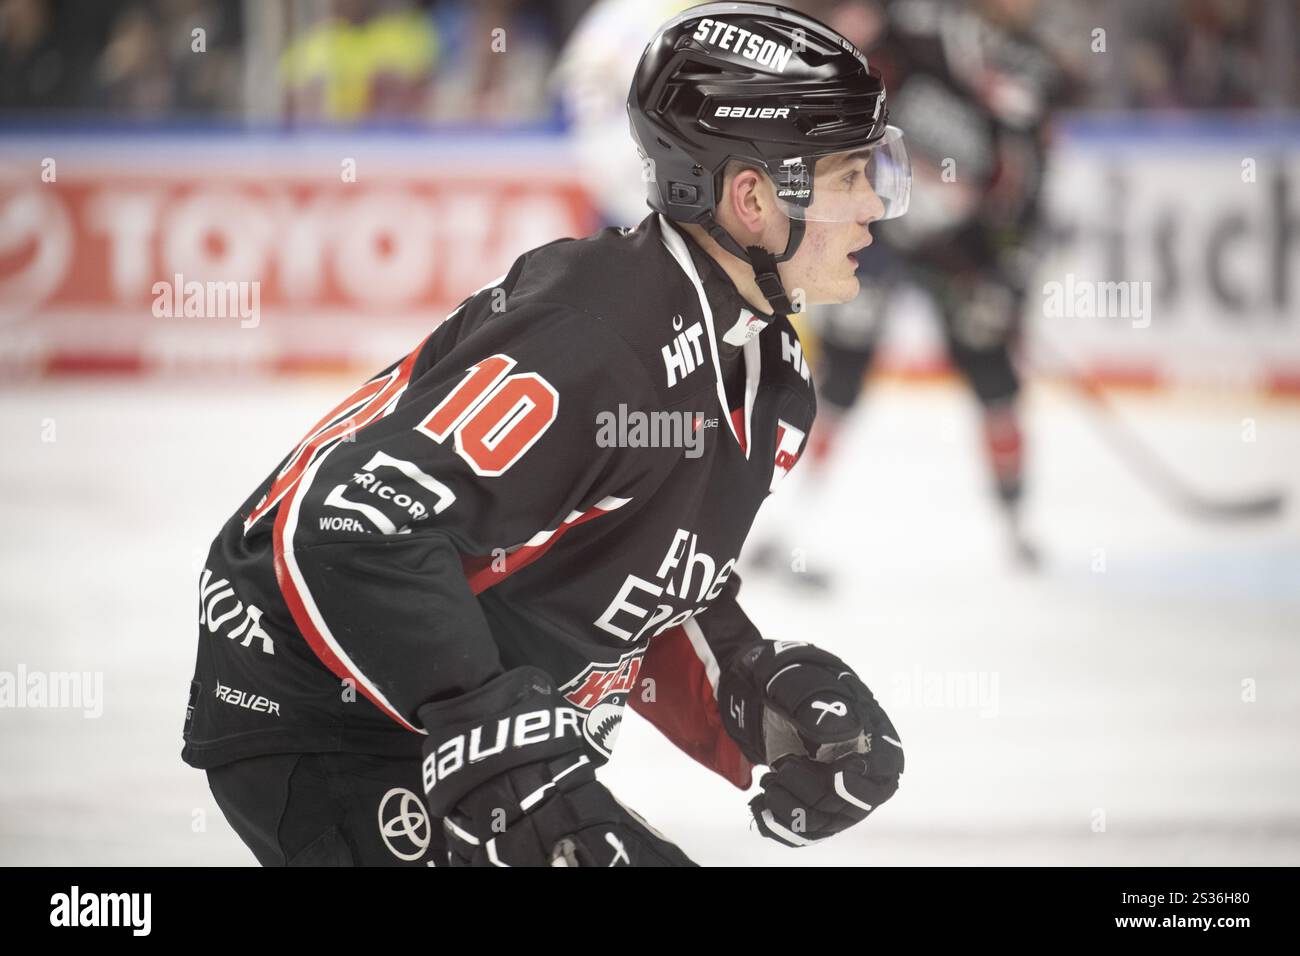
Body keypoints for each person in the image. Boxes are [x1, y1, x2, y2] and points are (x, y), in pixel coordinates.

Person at [182, 2, 908, 867]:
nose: (875, 206)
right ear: (752, 197)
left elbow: (615, 575)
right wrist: (493, 736)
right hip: (331, 723)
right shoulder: (599, 336)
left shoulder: (770, 372)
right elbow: (352, 526)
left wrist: (753, 692)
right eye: (849, 176)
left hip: (435, 716)